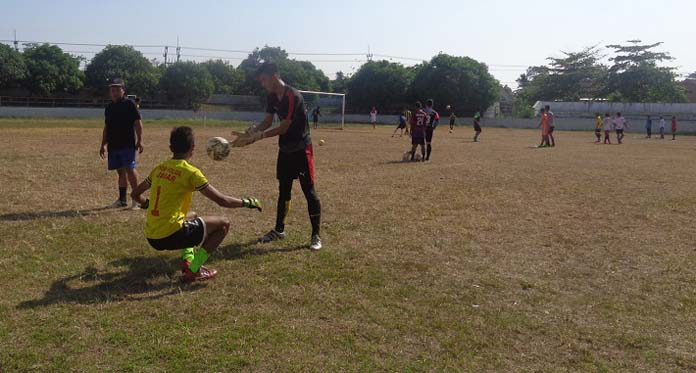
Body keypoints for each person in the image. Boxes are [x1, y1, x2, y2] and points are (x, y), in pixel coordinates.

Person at [131, 126, 262, 282]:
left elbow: (135, 194)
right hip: (170, 235)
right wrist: (248, 202)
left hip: (152, 236)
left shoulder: (159, 169)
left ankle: (188, 258)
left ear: (171, 148)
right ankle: (194, 269)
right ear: (192, 148)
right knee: (223, 224)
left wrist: (148, 205)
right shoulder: (191, 173)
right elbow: (222, 200)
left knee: (192, 215)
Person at [230, 62, 323, 251]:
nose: (262, 84)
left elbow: (284, 127)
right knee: (284, 191)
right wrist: (253, 131)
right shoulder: (271, 95)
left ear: (274, 75)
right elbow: (267, 121)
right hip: (285, 150)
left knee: (309, 192)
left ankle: (316, 235)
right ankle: (279, 230)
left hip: (301, 149)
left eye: (264, 80)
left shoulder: (292, 96)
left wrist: (259, 137)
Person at [99, 78, 144, 209]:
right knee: (120, 172)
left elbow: (137, 123)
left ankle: (136, 200)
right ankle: (122, 200)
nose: (114, 92)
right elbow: (106, 127)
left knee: (130, 169)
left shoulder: (129, 104)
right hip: (113, 145)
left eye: (117, 89)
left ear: (123, 91)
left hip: (127, 144)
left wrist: (140, 140)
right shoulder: (109, 107)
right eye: (112, 90)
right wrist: (103, 144)